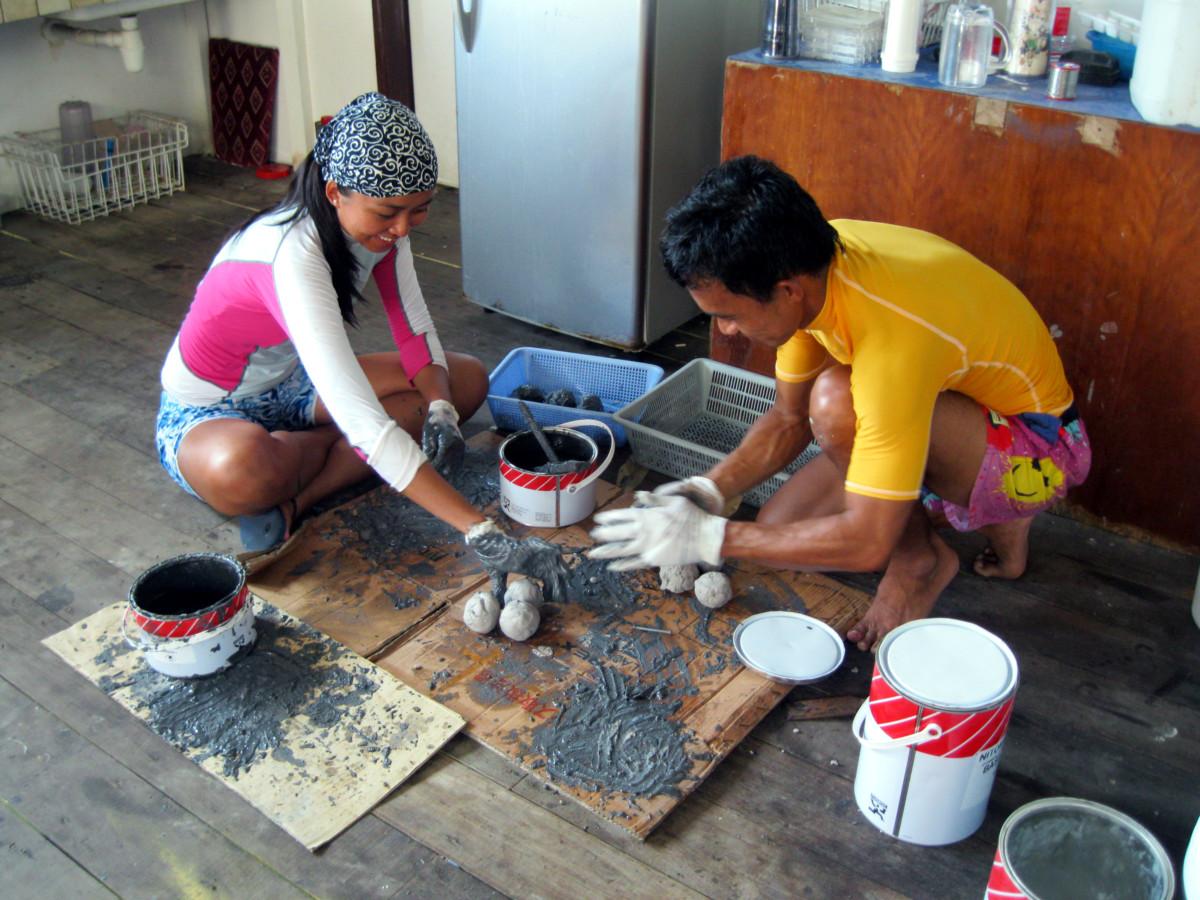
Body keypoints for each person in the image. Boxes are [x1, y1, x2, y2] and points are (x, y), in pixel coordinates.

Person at [589, 155, 1091, 650]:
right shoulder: (811, 264)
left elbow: (868, 543)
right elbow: (788, 419)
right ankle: (1004, 533)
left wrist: (708, 538)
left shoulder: (891, 338)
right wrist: (706, 492)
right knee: (778, 531)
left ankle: (928, 556)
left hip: (1040, 451)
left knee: (833, 402)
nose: (724, 330)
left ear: (785, 291)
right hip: (958, 398)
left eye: (728, 315)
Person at [155, 92, 567, 598]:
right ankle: (331, 458)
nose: (400, 229)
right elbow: (363, 418)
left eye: (419, 211)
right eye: (387, 213)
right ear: (334, 192)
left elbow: (413, 328)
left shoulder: (385, 231)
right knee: (241, 471)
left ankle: (300, 496)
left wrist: (438, 407)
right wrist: (481, 530)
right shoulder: (289, 254)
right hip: (208, 411)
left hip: (293, 382)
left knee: (463, 380)